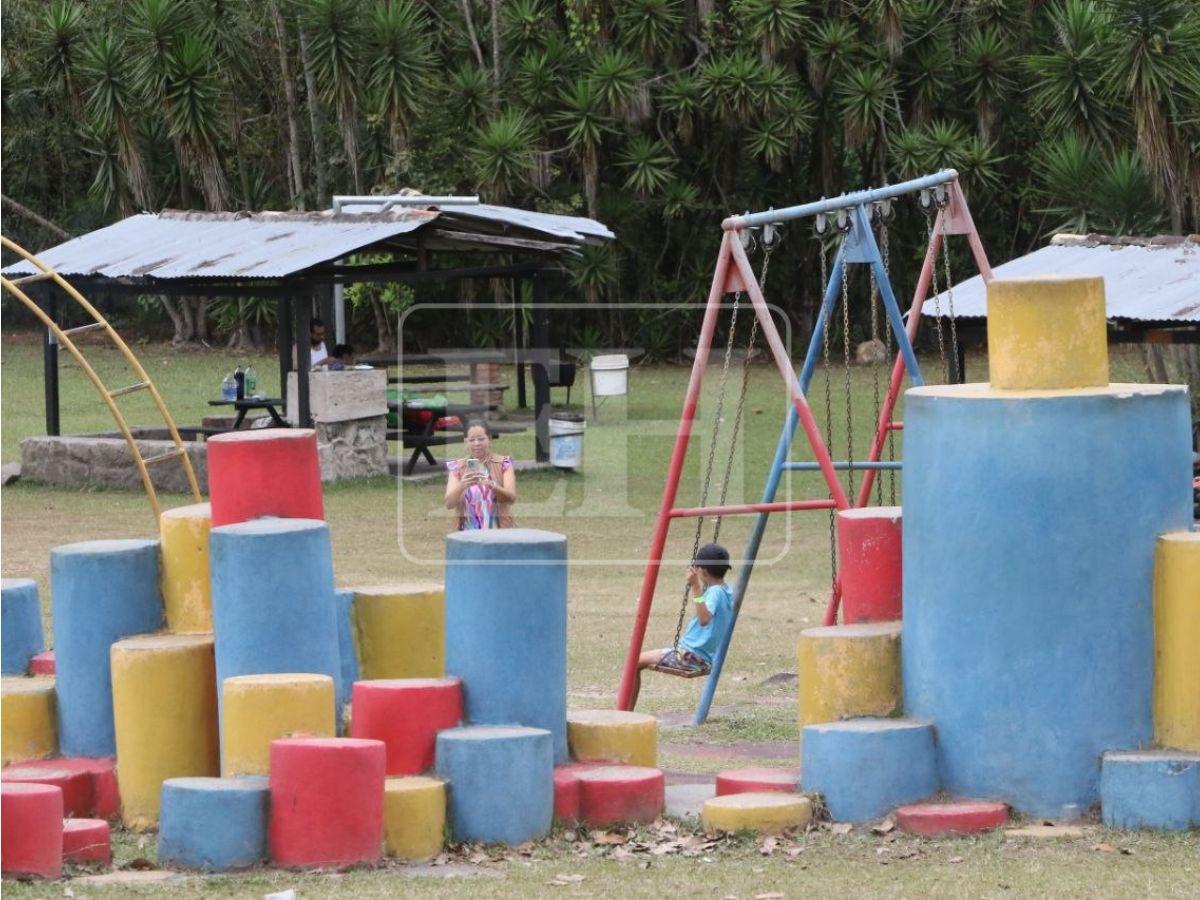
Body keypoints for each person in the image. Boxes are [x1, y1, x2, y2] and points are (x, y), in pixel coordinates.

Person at [629, 543, 733, 708]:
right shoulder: (727, 590)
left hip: (688, 657)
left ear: (703, 571)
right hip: (701, 657)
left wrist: (696, 586)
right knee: (636, 661)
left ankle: (626, 712)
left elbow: (704, 619)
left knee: (634, 662)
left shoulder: (715, 592)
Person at [444, 420, 517, 530]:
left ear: (490, 439)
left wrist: (492, 486)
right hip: (466, 533)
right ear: (465, 442)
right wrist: (462, 485)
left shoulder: (503, 463)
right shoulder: (457, 467)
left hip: (499, 532)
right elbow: (449, 504)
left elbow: (511, 498)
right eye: (471, 440)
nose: (477, 443)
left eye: (481, 439)